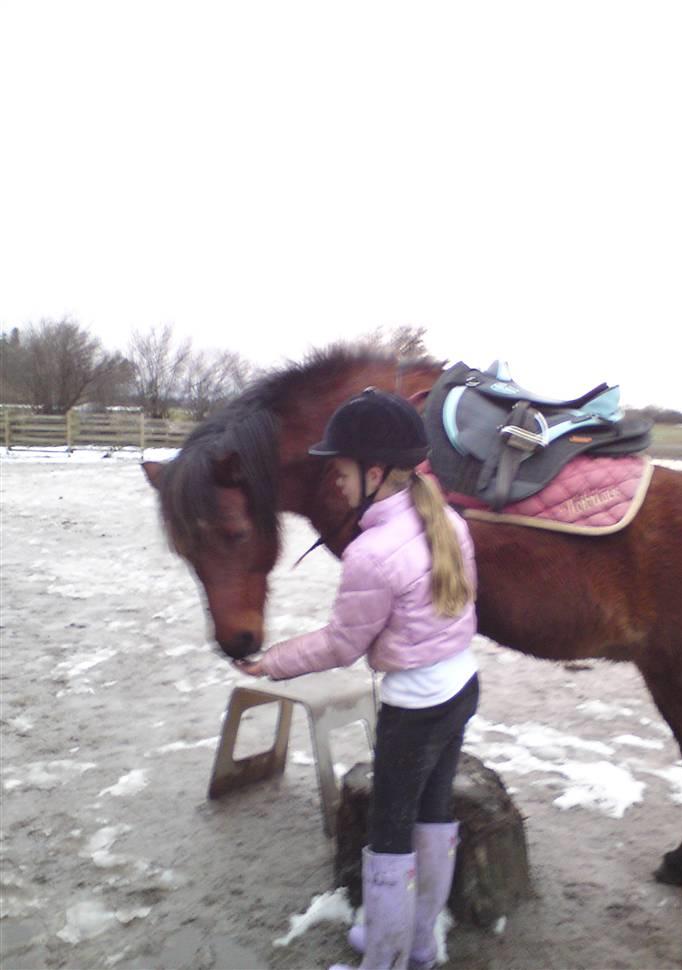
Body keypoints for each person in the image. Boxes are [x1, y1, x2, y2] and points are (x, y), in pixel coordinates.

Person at [237, 388, 479, 970]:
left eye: (341, 470)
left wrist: (270, 662)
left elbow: (342, 645)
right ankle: (418, 944)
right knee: (434, 813)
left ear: (374, 473)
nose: (335, 482)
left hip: (416, 709)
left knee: (389, 838)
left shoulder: (372, 551)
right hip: (460, 689)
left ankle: (385, 961)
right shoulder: (448, 521)